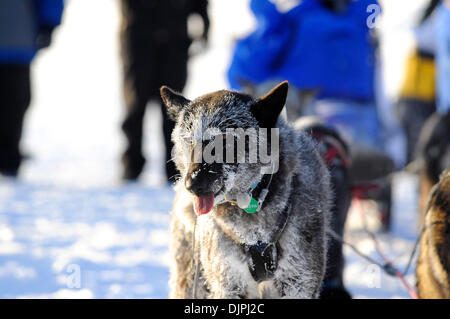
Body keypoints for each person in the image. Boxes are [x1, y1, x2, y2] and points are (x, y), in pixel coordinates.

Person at [120, 0, 209, 182]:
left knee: (173, 107)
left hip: (174, 41)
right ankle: (132, 164)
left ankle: (174, 166)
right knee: (136, 105)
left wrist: (205, 27)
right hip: (138, 39)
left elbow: (200, 4)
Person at [0, 0, 64, 177]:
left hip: (16, 44)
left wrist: (48, 23)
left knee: (14, 107)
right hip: (18, 41)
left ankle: (8, 159)